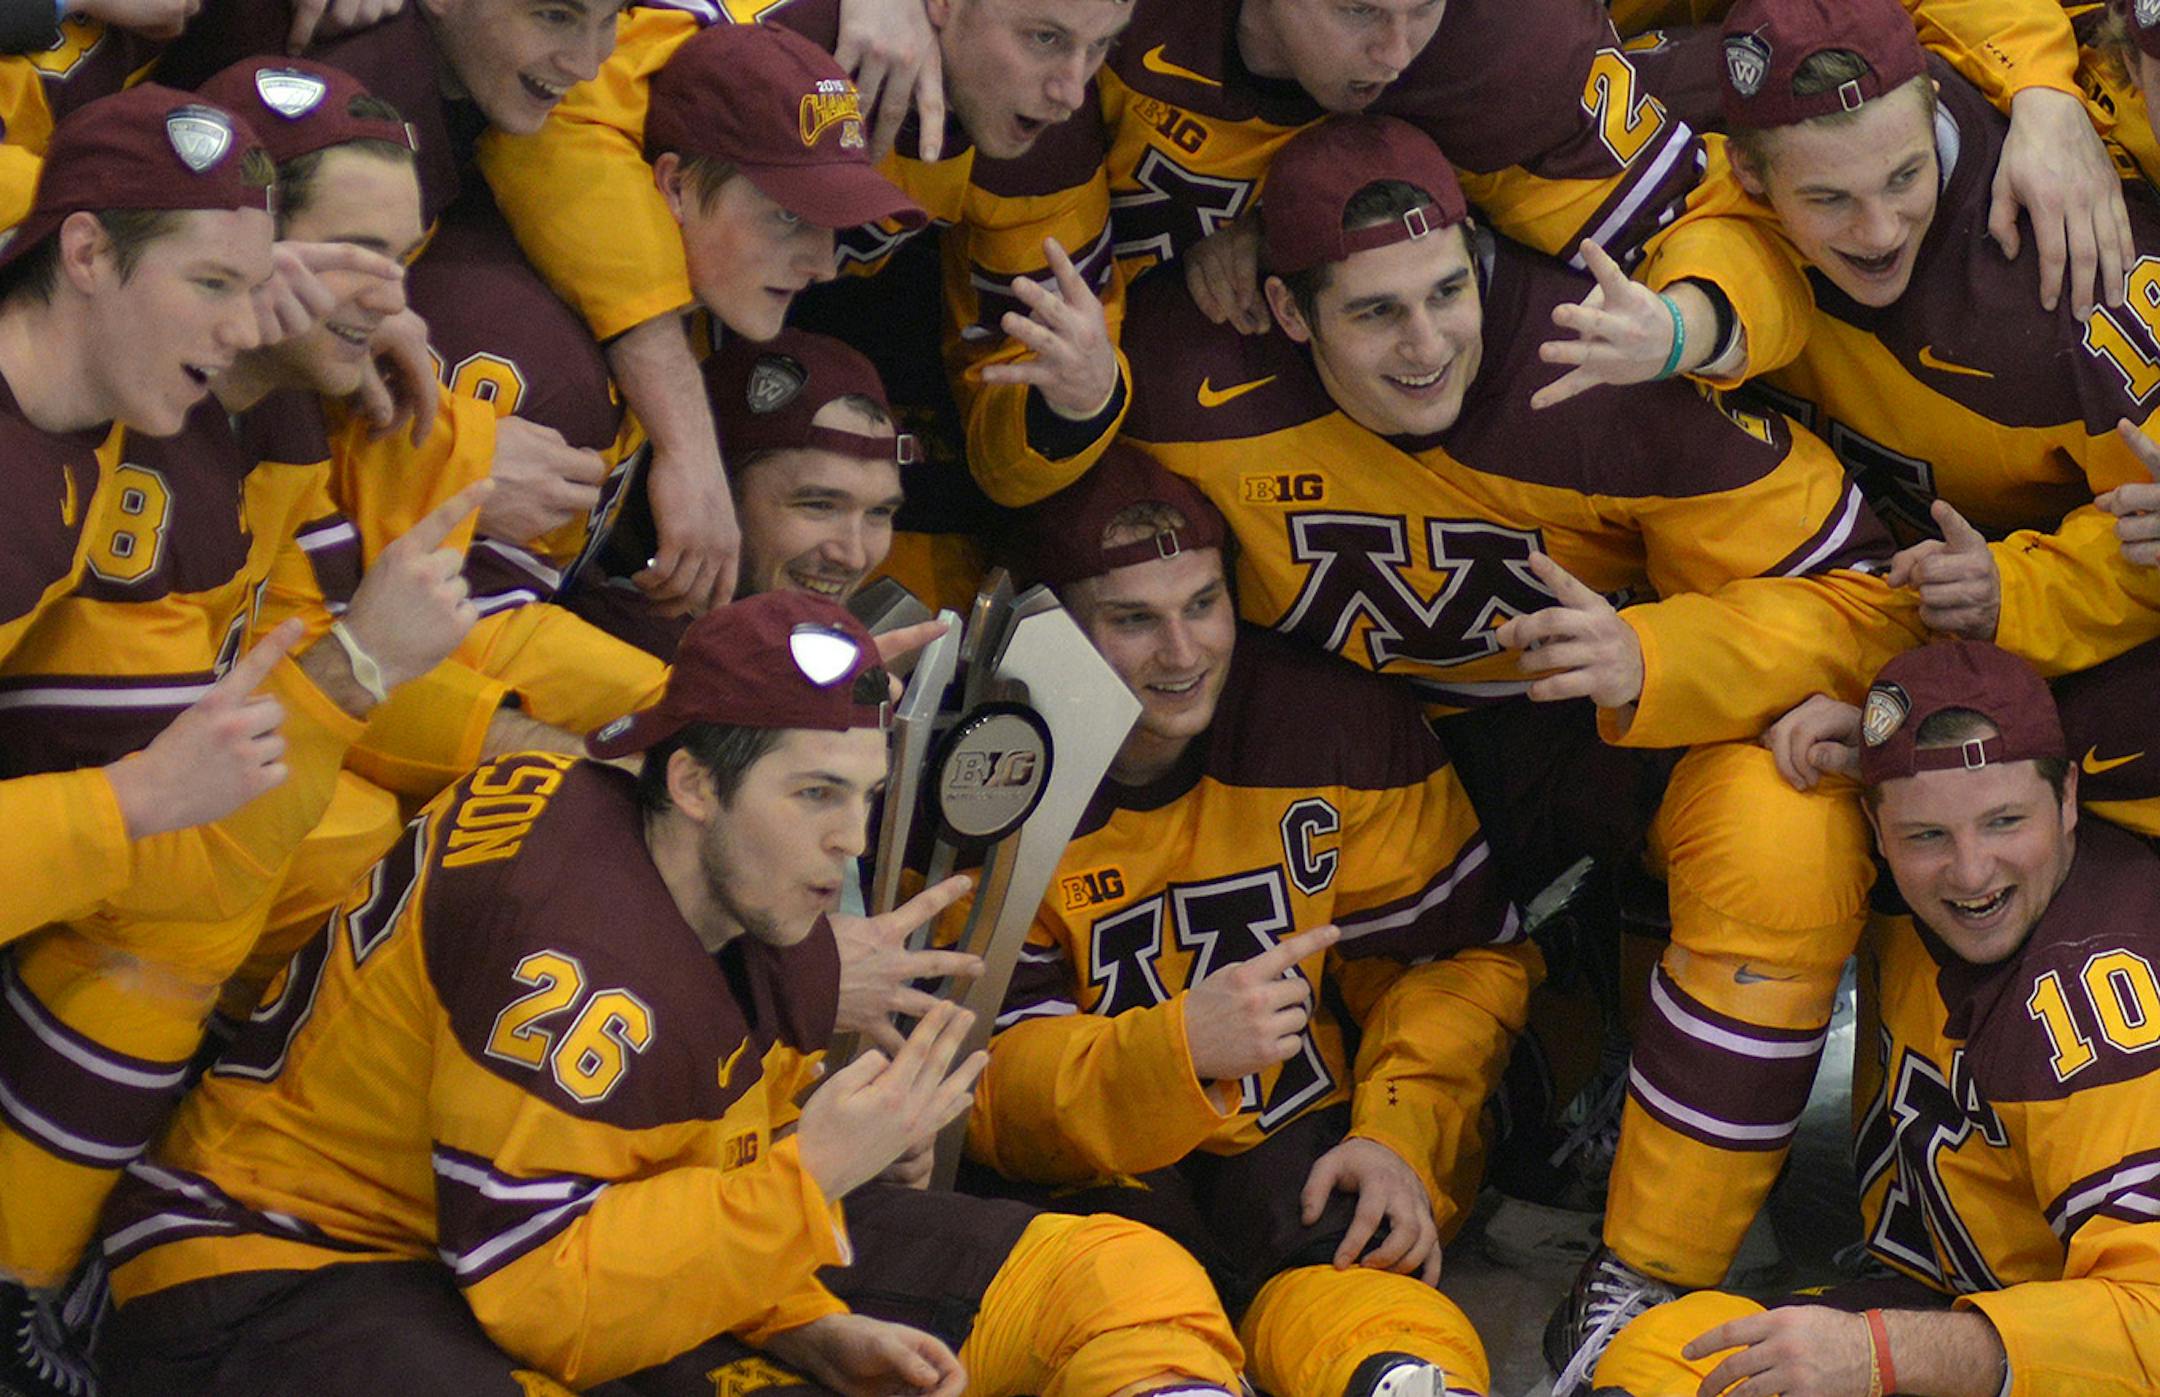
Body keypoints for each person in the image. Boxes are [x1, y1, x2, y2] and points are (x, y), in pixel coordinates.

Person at [1107, 111, 1916, 1380]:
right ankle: (1526, 1089)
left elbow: (1873, 592)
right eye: (1374, 314)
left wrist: (1660, 653)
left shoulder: (1595, 376)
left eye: (1447, 293)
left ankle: (1650, 1265)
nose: (1428, 345)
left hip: (1612, 737)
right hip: (1375, 758)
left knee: (1784, 824)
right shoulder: (1178, 368)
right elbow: (1043, 520)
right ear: (1284, 306)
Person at [98, 590, 1247, 1397]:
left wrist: (798, 1317)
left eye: (864, 792)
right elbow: (547, 1295)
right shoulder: (572, 945)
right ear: (692, 781)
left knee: (1118, 1273)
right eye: (813, 795)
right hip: (277, 1273)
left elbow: (656, 1163)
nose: (848, 840)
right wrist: (811, 1175)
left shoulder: (697, 863)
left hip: (493, 1253)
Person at [0, 77, 487, 1384]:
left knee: (368, 840)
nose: (379, 296)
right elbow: (186, 800)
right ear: (92, 251)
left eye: (259, 280)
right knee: (189, 879)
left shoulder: (156, 388)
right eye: (215, 282)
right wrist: (132, 803)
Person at [963, 444, 1526, 1397]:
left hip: (1302, 1138)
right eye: (1132, 619)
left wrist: (1399, 1134)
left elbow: (1457, 961)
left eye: (1202, 604)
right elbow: (973, 1086)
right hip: (1093, 1171)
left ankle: (1401, 1376)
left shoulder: (1336, 720)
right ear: (1052, 630)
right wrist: (1173, 1049)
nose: (1182, 654)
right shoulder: (981, 778)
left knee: (1345, 1236)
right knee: (1115, 1272)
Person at [1591, 640, 2160, 1397]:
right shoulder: (1897, 877)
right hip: (1950, 1301)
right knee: (1666, 1355)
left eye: (2004, 821)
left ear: (2066, 803)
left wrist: (1881, 1352)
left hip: (2073, 1362)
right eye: (1928, 834)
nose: (1971, 872)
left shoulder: (2094, 990)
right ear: (1875, 821)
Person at [475, 0, 1137, 515]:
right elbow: (550, 122)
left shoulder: (1042, 142)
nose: (1072, 90)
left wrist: (1084, 401)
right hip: (515, 312)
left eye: (1101, 44)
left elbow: (1012, 412)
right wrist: (674, 398)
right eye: (1043, 38)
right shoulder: (803, 27)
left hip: (685, 380)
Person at [1708, 0, 2160, 682]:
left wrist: (2009, 595)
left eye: (1902, 178)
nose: (1880, 232)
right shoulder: (1702, 114)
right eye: (1830, 197)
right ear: (2129, 58)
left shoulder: (2103, 319)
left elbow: (2141, 553)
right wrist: (2042, 90)